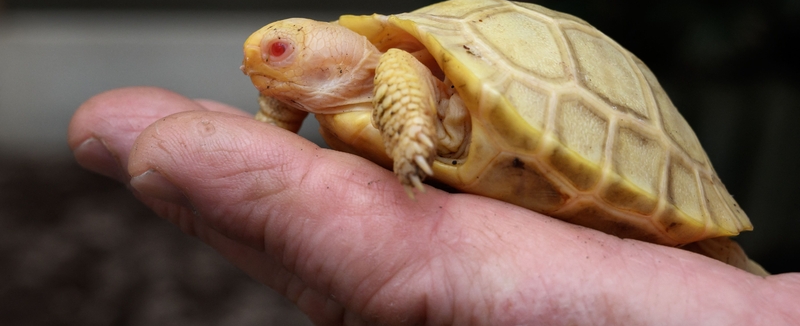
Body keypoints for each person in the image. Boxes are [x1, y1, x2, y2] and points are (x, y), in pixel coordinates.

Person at [68, 86, 800, 325]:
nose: (264, 69)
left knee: (725, 263)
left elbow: (401, 75)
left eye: (284, 54)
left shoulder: (395, 69)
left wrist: (409, 126)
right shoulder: (337, 103)